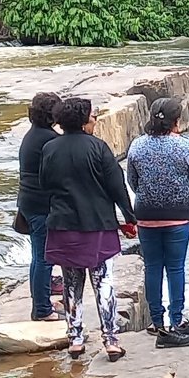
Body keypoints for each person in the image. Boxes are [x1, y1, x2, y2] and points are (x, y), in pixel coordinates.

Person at [39, 97, 136, 361]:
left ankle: (76, 339)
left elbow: (44, 185)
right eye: (92, 116)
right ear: (83, 120)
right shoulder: (98, 148)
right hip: (97, 226)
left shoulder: (49, 149)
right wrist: (129, 218)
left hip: (63, 226)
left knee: (71, 284)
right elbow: (117, 186)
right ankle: (111, 341)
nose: (95, 120)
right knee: (103, 282)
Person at [126, 96, 189, 349]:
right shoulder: (186, 147)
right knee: (175, 267)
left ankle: (157, 323)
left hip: (146, 214)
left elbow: (133, 181)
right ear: (177, 120)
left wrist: (148, 198)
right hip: (178, 215)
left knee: (152, 267)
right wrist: (184, 201)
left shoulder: (137, 146)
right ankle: (177, 321)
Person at [16, 91, 62, 322]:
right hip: (42, 205)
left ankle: (41, 302)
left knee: (38, 256)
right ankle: (42, 309)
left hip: (27, 202)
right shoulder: (49, 140)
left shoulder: (31, 136)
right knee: (44, 257)